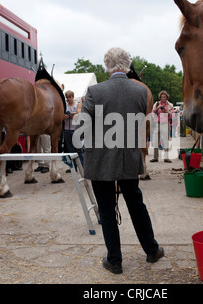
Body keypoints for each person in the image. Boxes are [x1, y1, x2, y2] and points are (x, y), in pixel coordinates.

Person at [78, 47, 164, 274]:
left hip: (101, 160)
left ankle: (114, 260)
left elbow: (82, 127)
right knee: (136, 204)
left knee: (106, 209)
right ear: (127, 65)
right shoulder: (140, 92)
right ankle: (152, 250)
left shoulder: (94, 91)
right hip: (128, 158)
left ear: (107, 66)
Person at [150, 90, 174, 163]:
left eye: (164, 97)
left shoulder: (170, 105)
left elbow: (172, 114)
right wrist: (158, 108)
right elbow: (152, 112)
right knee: (155, 141)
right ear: (160, 97)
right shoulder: (157, 104)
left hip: (165, 123)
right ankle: (155, 157)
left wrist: (166, 112)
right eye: (162, 97)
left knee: (166, 141)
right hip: (157, 123)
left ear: (167, 97)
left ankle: (166, 157)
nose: (163, 98)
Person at [63, 90, 84, 170]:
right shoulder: (65, 105)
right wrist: (71, 115)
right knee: (70, 150)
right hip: (67, 130)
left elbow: (78, 114)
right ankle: (73, 167)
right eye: (67, 97)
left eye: (69, 97)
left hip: (76, 130)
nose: (68, 99)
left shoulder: (78, 104)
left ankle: (82, 166)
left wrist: (68, 115)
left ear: (72, 97)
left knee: (79, 149)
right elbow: (62, 116)